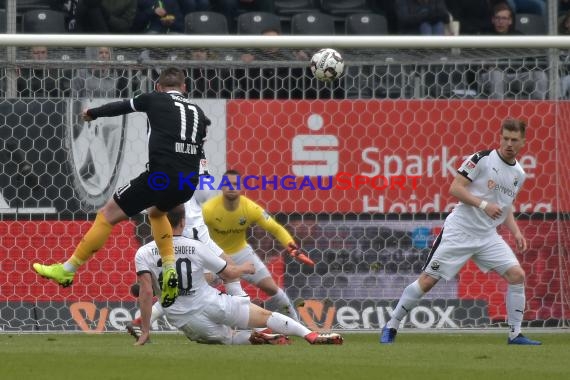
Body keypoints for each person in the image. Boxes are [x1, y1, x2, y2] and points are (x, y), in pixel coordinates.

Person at [33, 67, 210, 308]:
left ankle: (67, 269)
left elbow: (121, 106)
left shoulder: (153, 98)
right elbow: (199, 150)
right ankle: (170, 269)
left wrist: (92, 113)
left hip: (159, 177)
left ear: (158, 87)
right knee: (156, 213)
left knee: (106, 216)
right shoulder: (199, 113)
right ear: (184, 88)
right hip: (187, 183)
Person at [380, 119, 541, 346]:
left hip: (486, 237)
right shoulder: (482, 159)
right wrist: (484, 205)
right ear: (500, 137)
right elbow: (455, 188)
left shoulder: (519, 174)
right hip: (459, 232)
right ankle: (392, 324)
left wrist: (515, 232)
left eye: (514, 140)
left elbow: (506, 207)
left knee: (517, 275)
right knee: (426, 282)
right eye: (505, 138)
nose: (509, 144)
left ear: (523, 141)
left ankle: (515, 334)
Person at [131, 205, 343, 346]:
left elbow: (147, 293)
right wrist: (246, 268)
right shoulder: (196, 246)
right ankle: (310, 335)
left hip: (186, 320)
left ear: (155, 223)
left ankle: (256, 336)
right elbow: (230, 272)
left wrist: (146, 329)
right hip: (212, 303)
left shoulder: (144, 252)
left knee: (228, 338)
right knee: (264, 315)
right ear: (183, 223)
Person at [201, 169, 314, 321]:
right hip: (216, 254)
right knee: (197, 287)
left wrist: (291, 245)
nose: (231, 187)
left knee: (271, 288)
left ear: (241, 187)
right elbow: (195, 231)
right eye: (228, 184)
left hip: (241, 253)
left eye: (235, 184)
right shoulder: (208, 209)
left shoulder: (250, 208)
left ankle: (295, 321)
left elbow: (275, 228)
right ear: (221, 186)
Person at [480, 2, 547, 99]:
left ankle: (539, 111)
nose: (500, 22)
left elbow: (530, 61)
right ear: (493, 20)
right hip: (491, 77)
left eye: (504, 18)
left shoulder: (519, 37)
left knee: (540, 75)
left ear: (510, 21)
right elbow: (481, 65)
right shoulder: (484, 37)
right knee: (496, 74)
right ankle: (499, 112)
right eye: (497, 18)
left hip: (516, 75)